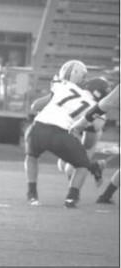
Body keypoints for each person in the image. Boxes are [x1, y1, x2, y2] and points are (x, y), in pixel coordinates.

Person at [25, 60, 106, 208]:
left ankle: (32, 194)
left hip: (38, 127)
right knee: (81, 165)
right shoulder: (94, 106)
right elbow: (94, 131)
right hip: (61, 133)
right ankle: (71, 198)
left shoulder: (63, 85)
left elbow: (36, 106)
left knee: (31, 156)